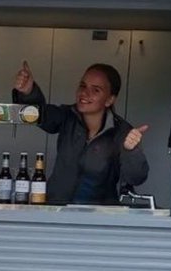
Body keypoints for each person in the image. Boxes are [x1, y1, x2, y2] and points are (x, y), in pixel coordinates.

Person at [12, 60, 148, 205]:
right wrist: (29, 92)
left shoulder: (122, 132)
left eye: (96, 90)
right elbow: (40, 115)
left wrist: (131, 151)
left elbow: (136, 178)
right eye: (83, 86)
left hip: (97, 219)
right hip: (57, 212)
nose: (85, 92)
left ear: (109, 99)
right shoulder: (67, 116)